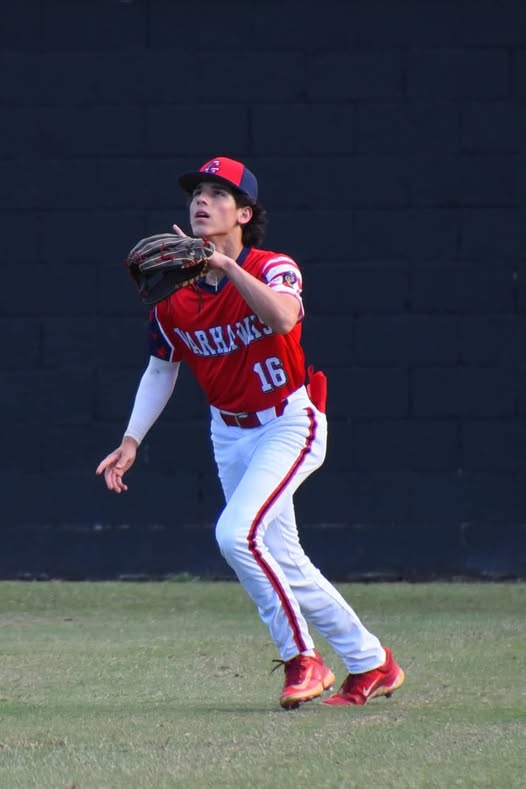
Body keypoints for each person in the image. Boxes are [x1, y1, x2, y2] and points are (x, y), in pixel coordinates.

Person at [96, 156, 405, 709]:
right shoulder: (174, 296)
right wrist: (131, 439)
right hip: (230, 434)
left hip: (290, 420)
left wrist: (228, 268)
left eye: (218, 193)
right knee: (285, 559)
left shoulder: (272, 265)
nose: (202, 201)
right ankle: (371, 663)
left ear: (244, 213)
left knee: (236, 536)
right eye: (197, 193)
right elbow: (161, 370)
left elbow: (284, 318)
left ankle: (302, 660)